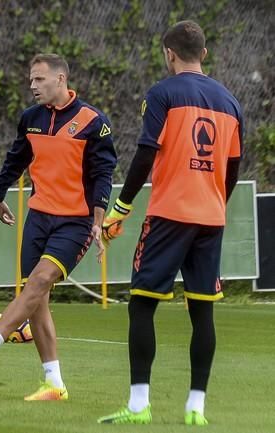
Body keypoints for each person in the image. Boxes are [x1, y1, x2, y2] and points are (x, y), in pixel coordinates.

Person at [97, 20, 242, 426]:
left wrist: (120, 209)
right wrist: (215, 202)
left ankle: (139, 405)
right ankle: (196, 408)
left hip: (168, 216)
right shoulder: (230, 102)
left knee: (142, 305)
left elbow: (145, 155)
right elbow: (232, 169)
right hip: (210, 219)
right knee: (203, 313)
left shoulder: (162, 93)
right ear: (204, 55)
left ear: (169, 54)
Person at [0, 54, 117, 401]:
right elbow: (17, 157)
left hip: (75, 222)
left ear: (60, 79)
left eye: (39, 80)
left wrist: (97, 222)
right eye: (31, 80)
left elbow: (102, 175)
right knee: (37, 300)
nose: (32, 86)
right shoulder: (30, 118)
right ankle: (54, 384)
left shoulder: (93, 122)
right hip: (38, 218)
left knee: (39, 281)